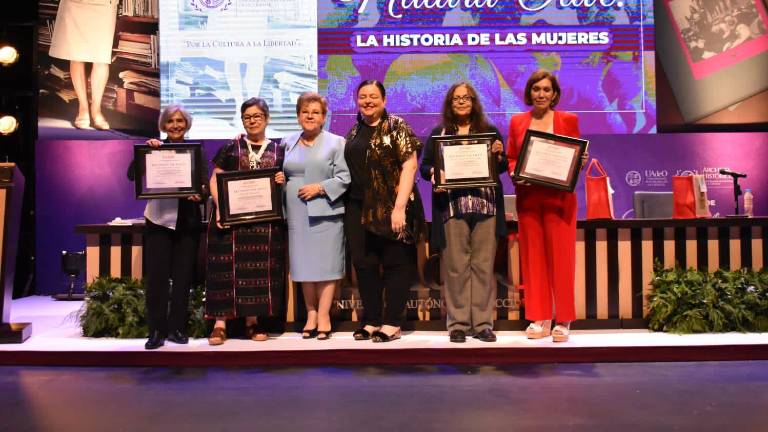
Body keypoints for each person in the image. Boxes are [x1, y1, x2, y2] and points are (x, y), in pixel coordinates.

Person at [420, 82, 508, 343]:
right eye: (456, 98)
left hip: (485, 206)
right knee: (456, 267)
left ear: (473, 102)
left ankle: (482, 324)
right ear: (450, 103)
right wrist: (435, 173)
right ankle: (458, 324)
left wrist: (499, 155)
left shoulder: (489, 131)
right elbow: (425, 167)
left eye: (466, 97)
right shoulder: (438, 133)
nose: (461, 102)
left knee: (483, 266)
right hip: (452, 206)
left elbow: (501, 167)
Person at [507, 69, 587, 343]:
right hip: (529, 199)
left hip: (560, 200)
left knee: (562, 260)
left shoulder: (568, 120)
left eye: (546, 90)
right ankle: (539, 317)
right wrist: (515, 172)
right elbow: (512, 157)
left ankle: (563, 320)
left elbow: (574, 156)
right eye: (536, 89)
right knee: (533, 259)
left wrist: (580, 160)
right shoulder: (517, 121)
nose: (541, 94)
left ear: (554, 95)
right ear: (529, 92)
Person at [344, 80, 423, 343]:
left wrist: (399, 208)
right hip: (358, 207)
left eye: (373, 96)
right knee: (364, 264)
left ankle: (392, 323)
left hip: (393, 205)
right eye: (362, 96)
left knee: (395, 263)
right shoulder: (354, 131)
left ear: (384, 100)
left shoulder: (397, 126)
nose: (367, 101)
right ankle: (372, 320)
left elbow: (410, 166)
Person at [206, 98, 286, 345]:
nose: (252, 121)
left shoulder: (279, 150)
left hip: (263, 223)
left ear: (267, 119)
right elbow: (214, 179)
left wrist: (282, 180)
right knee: (224, 270)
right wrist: (221, 209)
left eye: (257, 116)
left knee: (256, 269)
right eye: (247, 117)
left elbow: (283, 182)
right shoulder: (231, 147)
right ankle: (220, 325)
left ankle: (252, 322)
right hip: (229, 221)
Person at [126, 105, 206, 350]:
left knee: (182, 279)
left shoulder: (196, 151)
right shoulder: (154, 149)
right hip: (158, 220)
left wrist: (200, 195)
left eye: (180, 121)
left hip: (187, 222)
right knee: (157, 279)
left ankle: (177, 329)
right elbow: (131, 174)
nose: (175, 125)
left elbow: (203, 186)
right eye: (170, 121)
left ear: (186, 124)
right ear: (163, 125)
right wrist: (145, 153)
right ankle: (156, 331)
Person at [282, 92, 350, 340]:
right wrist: (279, 179)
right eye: (305, 112)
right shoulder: (286, 142)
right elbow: (278, 171)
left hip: (326, 212)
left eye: (316, 112)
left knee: (327, 265)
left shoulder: (336, 143)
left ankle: (324, 315)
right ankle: (310, 314)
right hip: (296, 213)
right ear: (298, 115)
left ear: (323, 117)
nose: (310, 116)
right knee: (303, 266)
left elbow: (344, 178)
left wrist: (320, 188)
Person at [49, 0, 118, 130]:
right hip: (75, 3)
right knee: (76, 54)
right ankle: (83, 107)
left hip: (104, 4)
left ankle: (96, 110)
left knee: (101, 56)